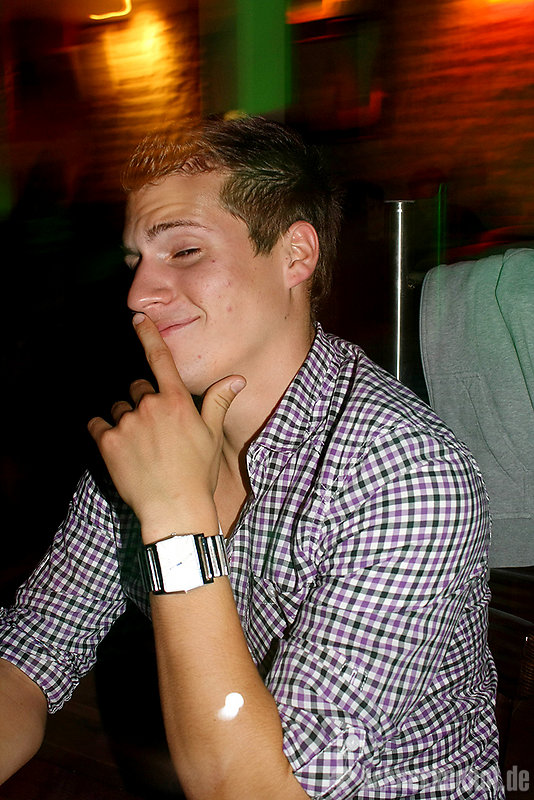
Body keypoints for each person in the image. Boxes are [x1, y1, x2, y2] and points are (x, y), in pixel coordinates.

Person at [0, 115, 503, 799]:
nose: (138, 295)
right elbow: (30, 654)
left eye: (184, 251)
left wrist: (177, 518)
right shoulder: (157, 435)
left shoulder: (406, 473)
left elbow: (260, 789)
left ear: (296, 255)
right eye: (135, 260)